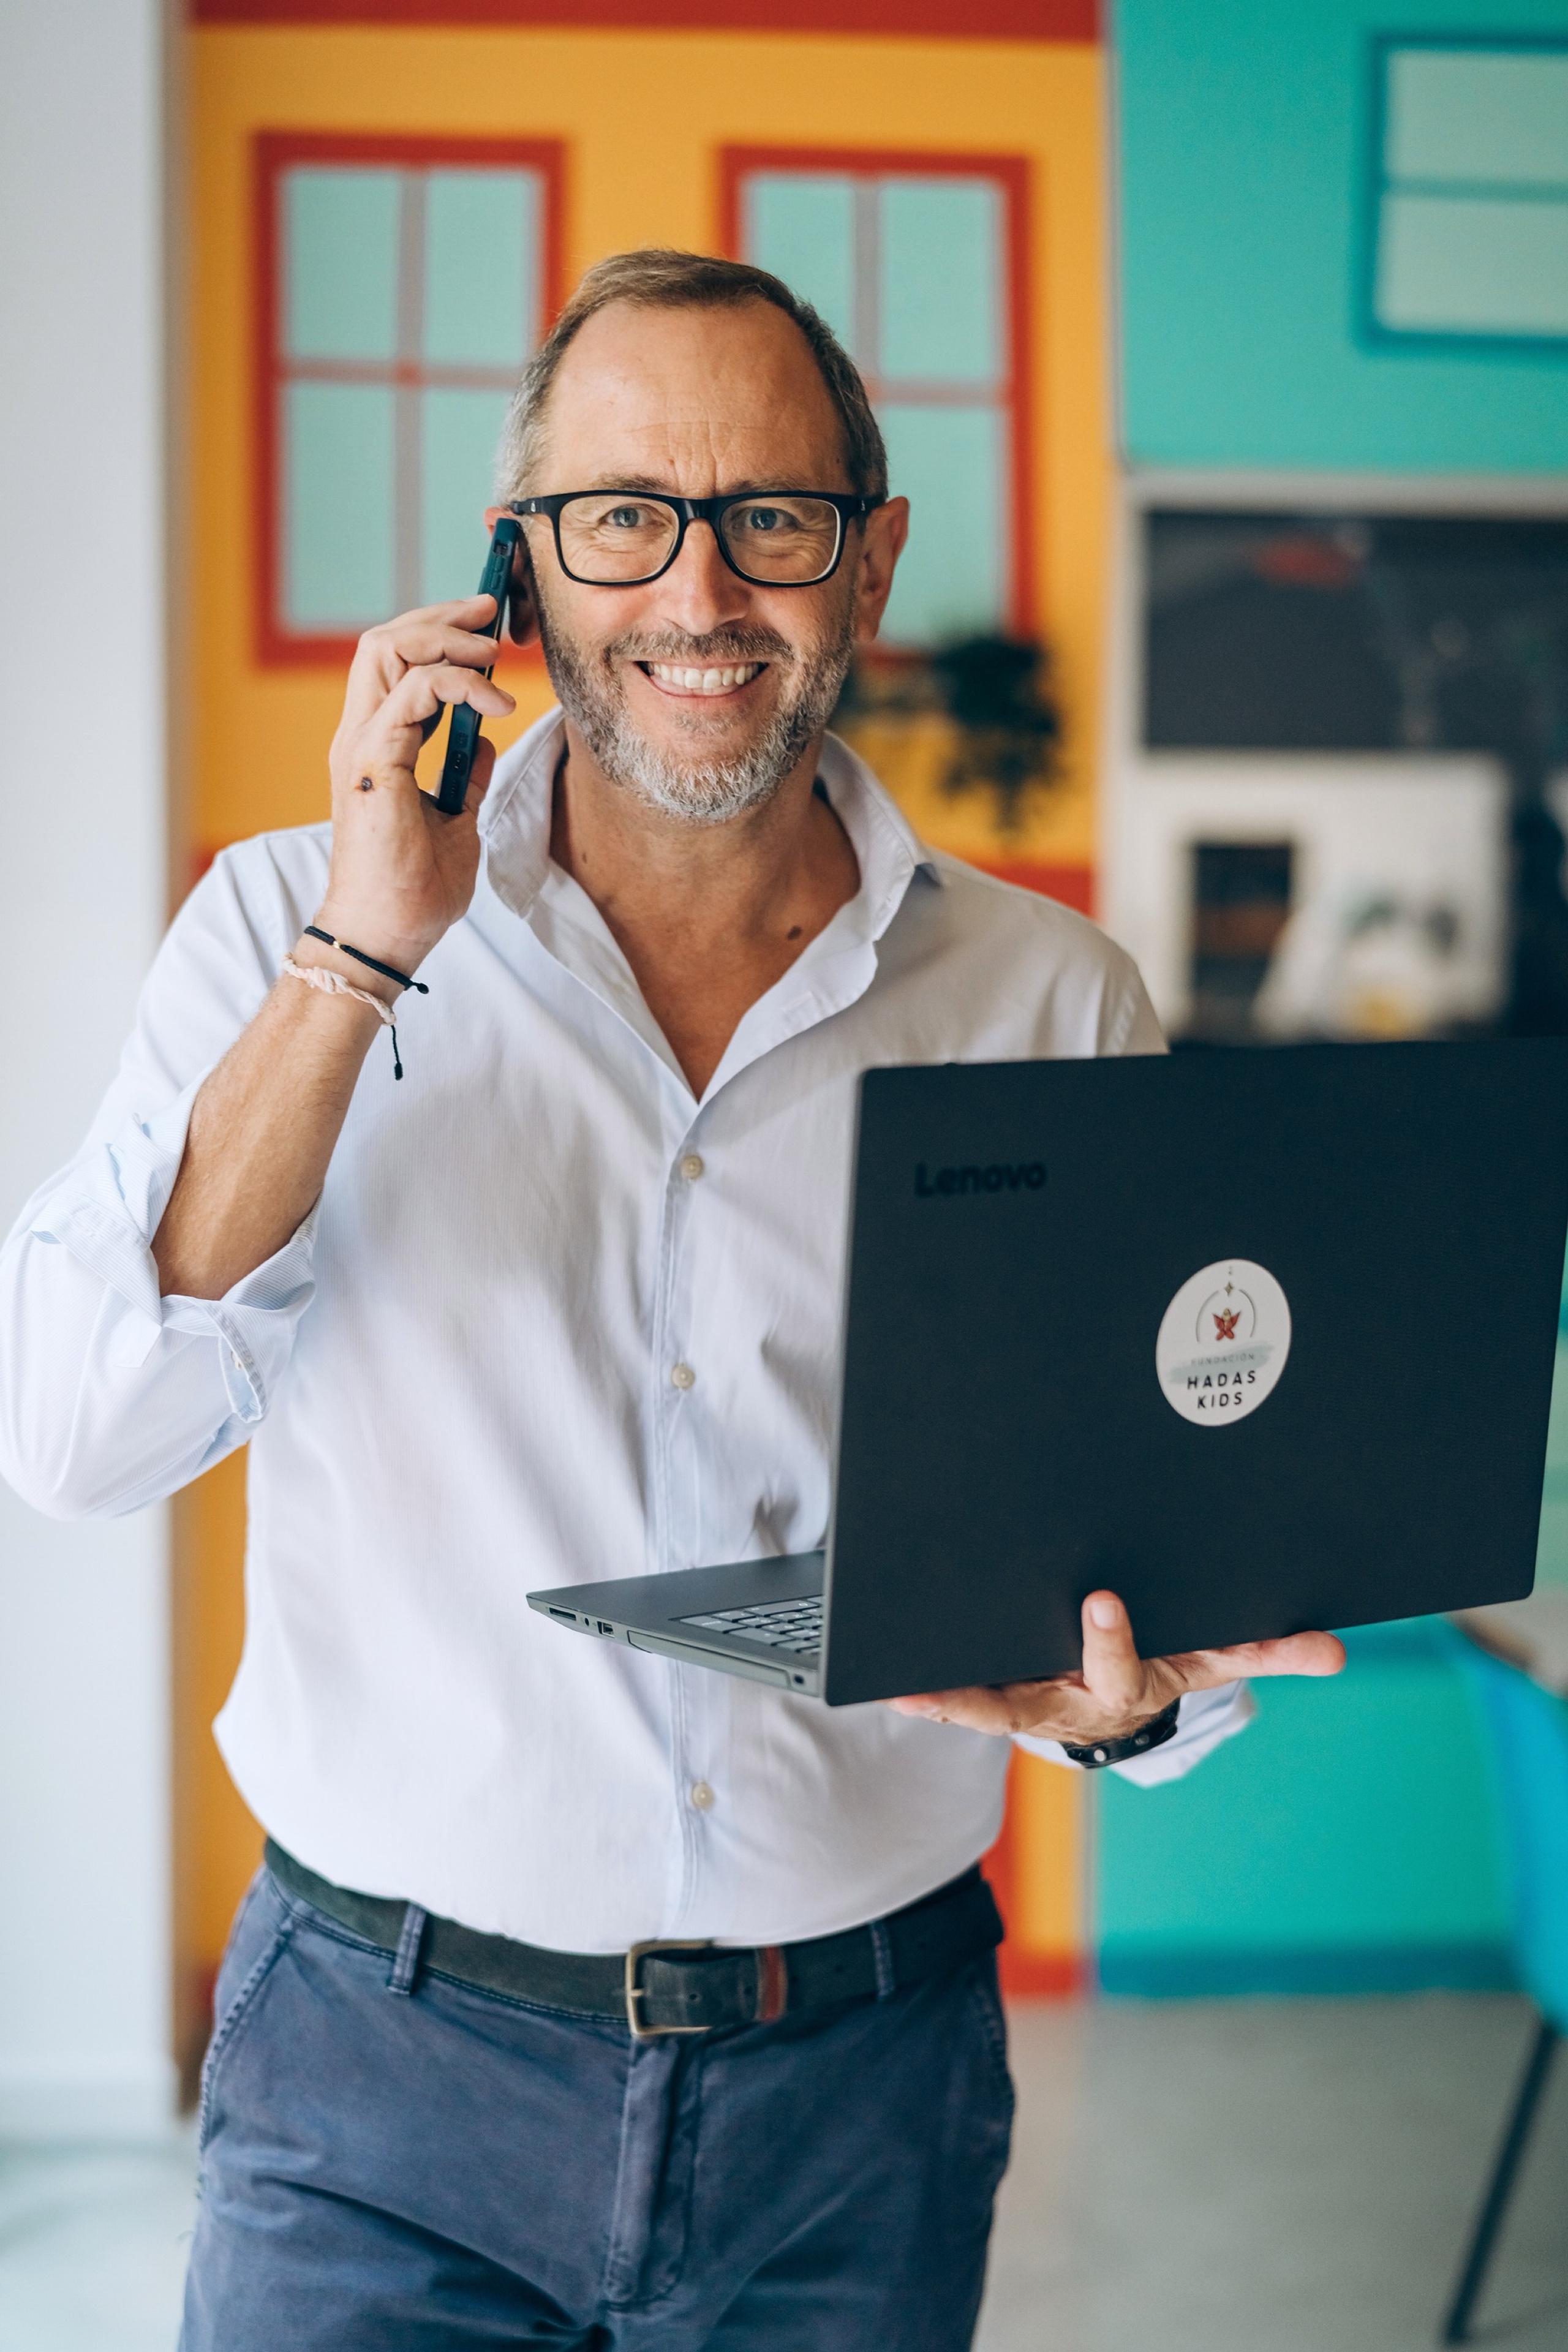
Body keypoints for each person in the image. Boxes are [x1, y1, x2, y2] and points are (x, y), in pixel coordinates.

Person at [0, 250, 1343, 2350]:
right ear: (519, 568)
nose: (699, 593)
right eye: (623, 516)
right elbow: (82, 1437)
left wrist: (1134, 1704)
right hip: (378, 2079)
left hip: (863, 2093)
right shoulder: (280, 924)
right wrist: (365, 953)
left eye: (771, 518)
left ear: (869, 562)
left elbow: (1142, 1556)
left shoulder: (1050, 997)